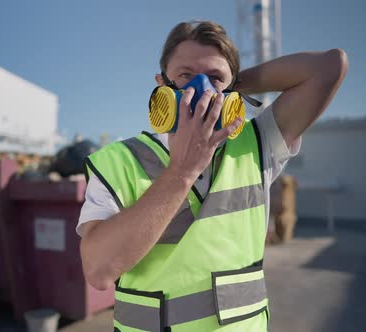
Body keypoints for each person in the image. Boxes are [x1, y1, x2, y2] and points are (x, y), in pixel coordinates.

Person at [77, 20, 348, 331]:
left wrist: (232, 85)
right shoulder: (119, 161)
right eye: (186, 76)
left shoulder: (258, 143)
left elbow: (329, 66)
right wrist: (182, 172)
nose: (200, 90)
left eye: (214, 79)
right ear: (161, 84)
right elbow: (98, 271)